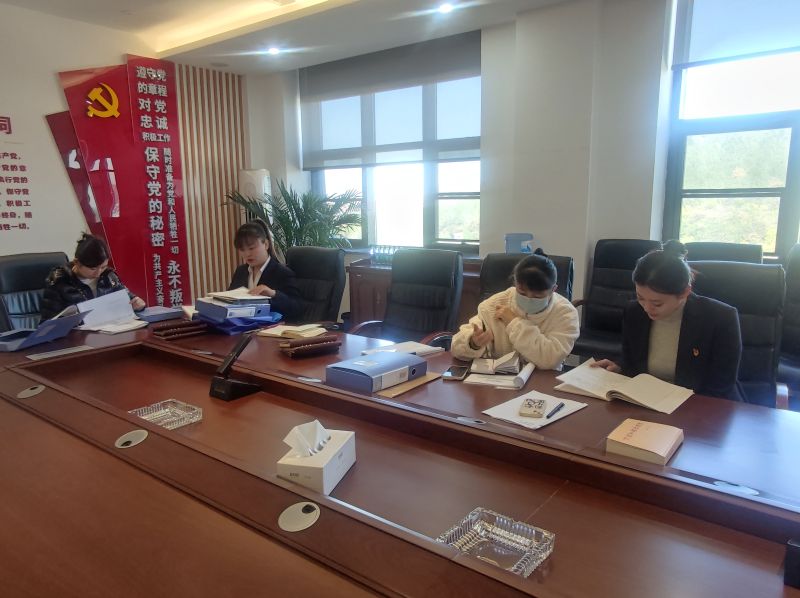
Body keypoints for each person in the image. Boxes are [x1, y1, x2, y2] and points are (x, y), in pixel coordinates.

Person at [593, 240, 743, 401]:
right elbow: (631, 362)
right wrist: (619, 369)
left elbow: (721, 385)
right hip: (648, 399)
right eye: (641, 298)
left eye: (657, 303)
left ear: (685, 292)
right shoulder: (634, 311)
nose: (647, 308)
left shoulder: (720, 318)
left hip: (699, 404)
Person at [451, 252, 579, 369]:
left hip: (542, 381)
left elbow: (550, 359)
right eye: (522, 293)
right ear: (515, 283)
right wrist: (473, 343)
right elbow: (456, 348)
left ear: (553, 290)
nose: (529, 299)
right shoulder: (494, 304)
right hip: (499, 379)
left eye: (537, 296)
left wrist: (513, 322)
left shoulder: (565, 313)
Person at [40, 233, 145, 320]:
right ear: (77, 262)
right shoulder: (59, 281)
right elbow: (48, 323)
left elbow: (128, 298)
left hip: (110, 332)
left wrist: (138, 304)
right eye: (93, 269)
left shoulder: (108, 276)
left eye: (103, 267)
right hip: (77, 336)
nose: (98, 273)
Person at [228, 218, 302, 320]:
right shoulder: (241, 271)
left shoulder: (282, 272)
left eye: (251, 248)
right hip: (241, 324)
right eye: (242, 249)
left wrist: (273, 294)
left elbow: (297, 307)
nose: (247, 254)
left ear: (266, 244)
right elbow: (230, 300)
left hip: (271, 326)